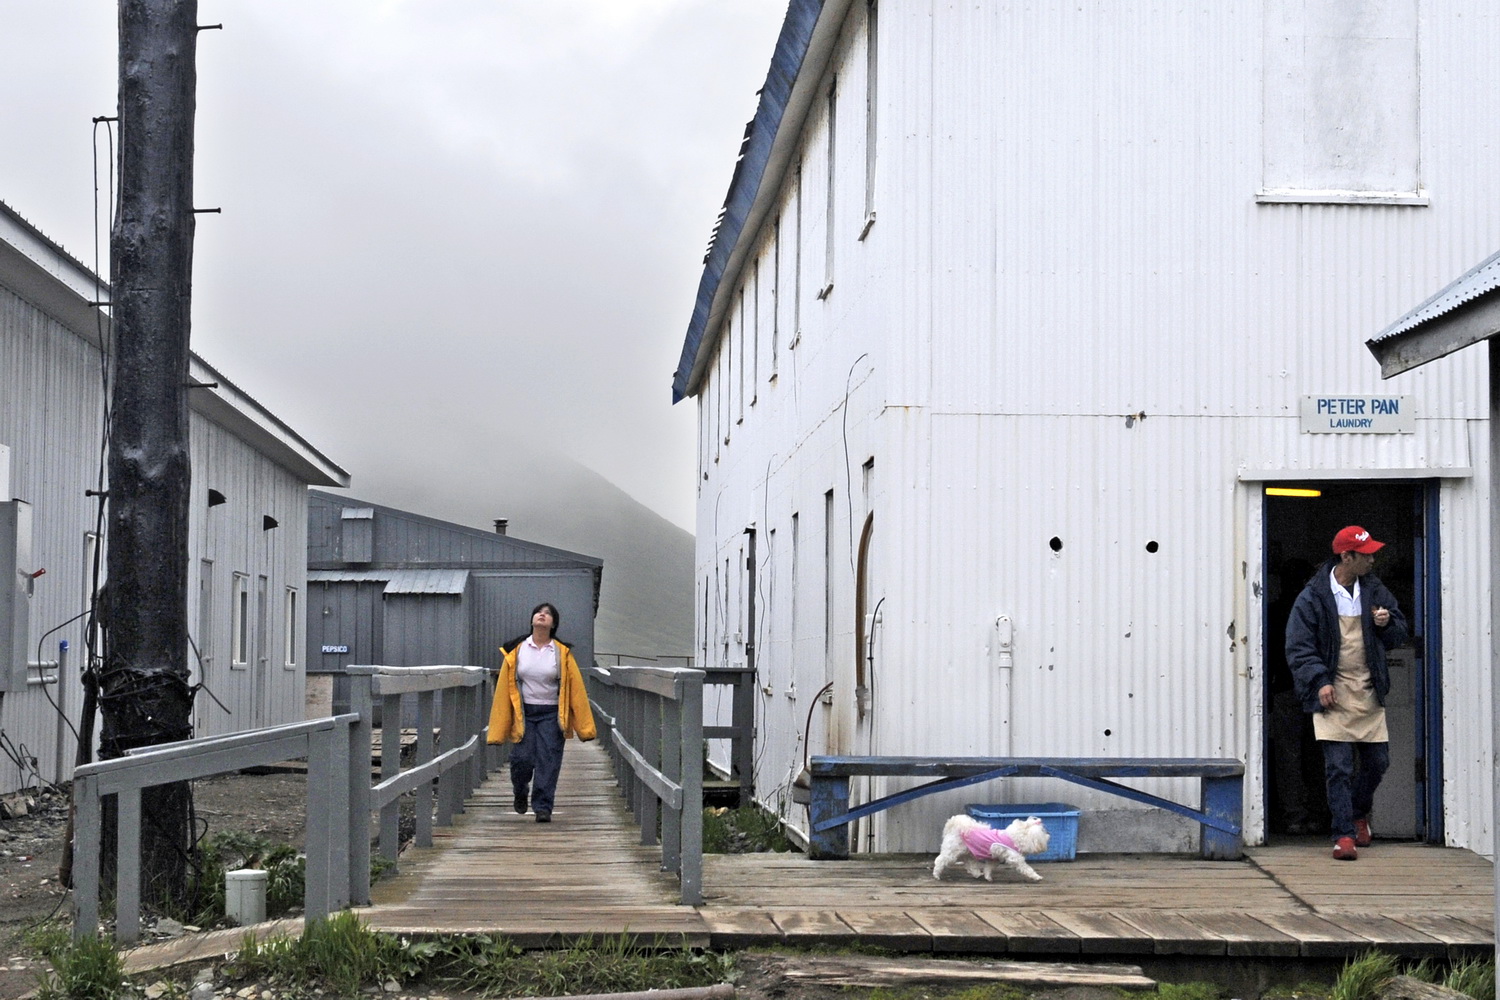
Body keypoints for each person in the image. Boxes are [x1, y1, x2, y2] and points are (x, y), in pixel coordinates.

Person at [1285, 526, 1408, 861]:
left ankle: (1357, 812)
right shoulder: (1312, 597)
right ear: (1346, 556)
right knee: (1337, 767)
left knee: (1378, 762)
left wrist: (1386, 623)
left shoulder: (1374, 589)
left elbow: (1399, 634)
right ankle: (1343, 835)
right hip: (1333, 694)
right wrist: (1319, 681)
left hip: (1367, 690)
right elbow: (1299, 647)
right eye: (1365, 554)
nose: (1372, 559)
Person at [486, 602, 596, 823]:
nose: (542, 615)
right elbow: (503, 689)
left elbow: (576, 689)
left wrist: (584, 727)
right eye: (539, 612)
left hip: (551, 713)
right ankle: (520, 790)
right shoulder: (516, 650)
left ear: (553, 623)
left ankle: (543, 807)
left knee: (548, 759)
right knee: (521, 759)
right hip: (523, 712)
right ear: (532, 620)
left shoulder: (561, 652)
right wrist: (499, 725)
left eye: (548, 614)